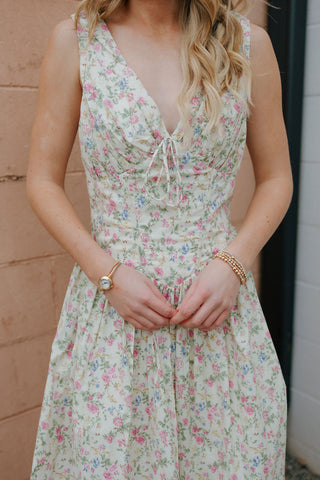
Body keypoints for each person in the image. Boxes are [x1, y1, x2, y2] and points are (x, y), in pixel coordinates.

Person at [27, 0, 293, 478]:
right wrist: (106, 274)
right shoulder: (77, 41)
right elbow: (42, 181)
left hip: (218, 323)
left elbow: (277, 179)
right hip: (114, 322)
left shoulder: (247, 44)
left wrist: (233, 264)